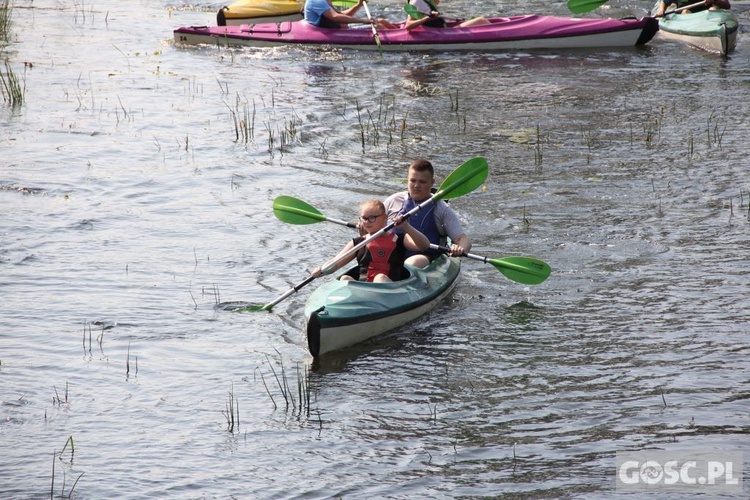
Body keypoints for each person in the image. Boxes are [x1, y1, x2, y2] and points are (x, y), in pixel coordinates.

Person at [312, 200, 430, 283]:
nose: (367, 222)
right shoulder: (359, 242)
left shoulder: (399, 239)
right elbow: (336, 263)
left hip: (392, 291)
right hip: (364, 290)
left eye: (372, 218)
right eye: (364, 218)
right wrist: (321, 270)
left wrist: (406, 226)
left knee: (380, 278)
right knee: (345, 279)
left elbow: (424, 245)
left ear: (384, 218)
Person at [384, 159, 471, 268]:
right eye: (412, 181)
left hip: (425, 258)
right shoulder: (393, 201)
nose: (416, 185)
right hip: (391, 253)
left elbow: (462, 239)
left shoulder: (442, 209)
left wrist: (460, 248)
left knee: (412, 263)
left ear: (432, 182)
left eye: (422, 182)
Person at [404, 0, 491, 30]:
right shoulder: (416, 2)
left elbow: (437, 2)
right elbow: (408, 25)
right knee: (481, 20)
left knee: (478, 20)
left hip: (443, 29)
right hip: (439, 33)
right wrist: (427, 18)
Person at [304, 0, 377, 29]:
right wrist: (363, 21)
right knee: (378, 26)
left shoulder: (326, 0)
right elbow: (335, 17)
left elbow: (341, 15)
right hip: (324, 30)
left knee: (381, 21)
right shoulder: (317, 1)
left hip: (339, 27)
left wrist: (358, 5)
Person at [656, 0, 730, 16]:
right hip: (687, 14)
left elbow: (727, 5)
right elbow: (664, 2)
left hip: (706, 16)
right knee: (685, 12)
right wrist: (661, 10)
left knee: (713, 9)